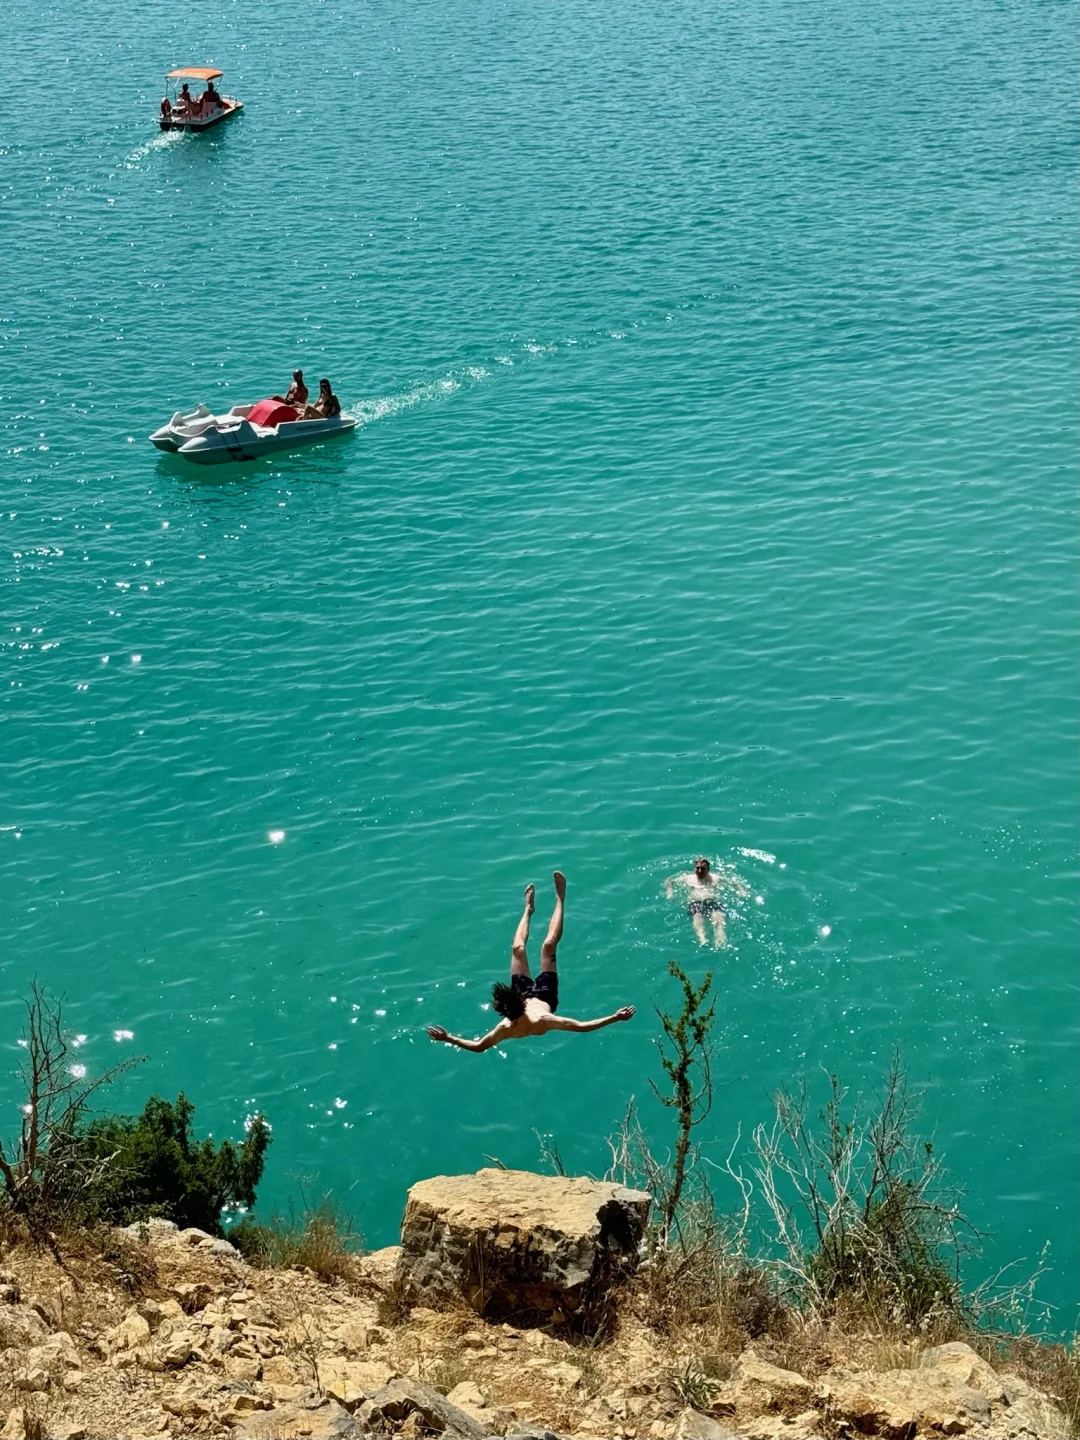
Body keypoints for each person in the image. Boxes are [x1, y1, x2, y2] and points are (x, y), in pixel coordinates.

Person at [426, 873, 635, 1053]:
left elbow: (479, 1046)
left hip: (524, 992)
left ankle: (528, 908)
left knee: (517, 948)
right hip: (546, 994)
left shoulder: (516, 1020)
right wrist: (615, 1017)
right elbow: (581, 1026)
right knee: (549, 945)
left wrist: (448, 1037)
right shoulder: (532, 1022)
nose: (508, 1022)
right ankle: (560, 897)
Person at [665, 856, 747, 948]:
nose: (700, 871)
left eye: (703, 868)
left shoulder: (715, 878)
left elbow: (733, 882)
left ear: (708, 869)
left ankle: (720, 940)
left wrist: (741, 891)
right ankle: (702, 939)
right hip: (695, 903)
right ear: (694, 868)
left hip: (712, 902)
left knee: (718, 918)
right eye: (697, 868)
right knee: (697, 917)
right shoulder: (688, 878)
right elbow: (669, 881)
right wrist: (669, 892)